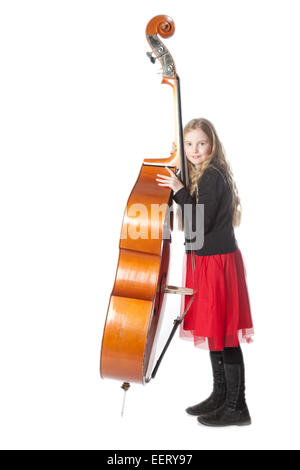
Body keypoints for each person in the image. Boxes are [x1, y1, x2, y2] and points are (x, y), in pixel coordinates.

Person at [155, 118, 254, 427]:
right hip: (206, 259)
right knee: (215, 327)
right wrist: (179, 179)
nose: (195, 150)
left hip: (218, 263)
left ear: (212, 144)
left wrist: (180, 190)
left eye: (201, 143)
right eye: (189, 144)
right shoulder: (200, 173)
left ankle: (237, 406)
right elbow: (193, 211)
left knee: (225, 332)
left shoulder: (211, 175)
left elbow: (201, 221)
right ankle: (220, 396)